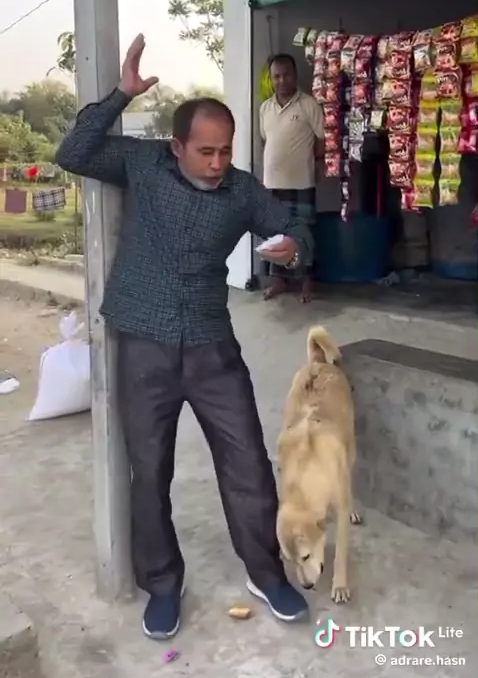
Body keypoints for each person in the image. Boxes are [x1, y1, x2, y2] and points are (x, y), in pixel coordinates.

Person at [55, 35, 314, 641]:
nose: (218, 162)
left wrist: (293, 248)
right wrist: (121, 94)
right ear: (177, 147)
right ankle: (163, 585)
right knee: (150, 469)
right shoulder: (143, 164)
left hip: (210, 344)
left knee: (247, 461)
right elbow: (73, 151)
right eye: (206, 152)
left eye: (225, 151)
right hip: (142, 341)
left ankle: (265, 573)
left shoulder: (243, 190)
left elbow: (294, 228)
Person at [260, 53, 325, 303]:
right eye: (276, 76)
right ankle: (278, 280)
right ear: (271, 78)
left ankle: (307, 282)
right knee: (275, 234)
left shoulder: (308, 104)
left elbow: (322, 140)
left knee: (303, 233)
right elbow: (266, 140)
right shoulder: (265, 108)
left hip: (301, 183)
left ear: (295, 75)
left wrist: (314, 163)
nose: (281, 80)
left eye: (286, 74)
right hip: (272, 184)